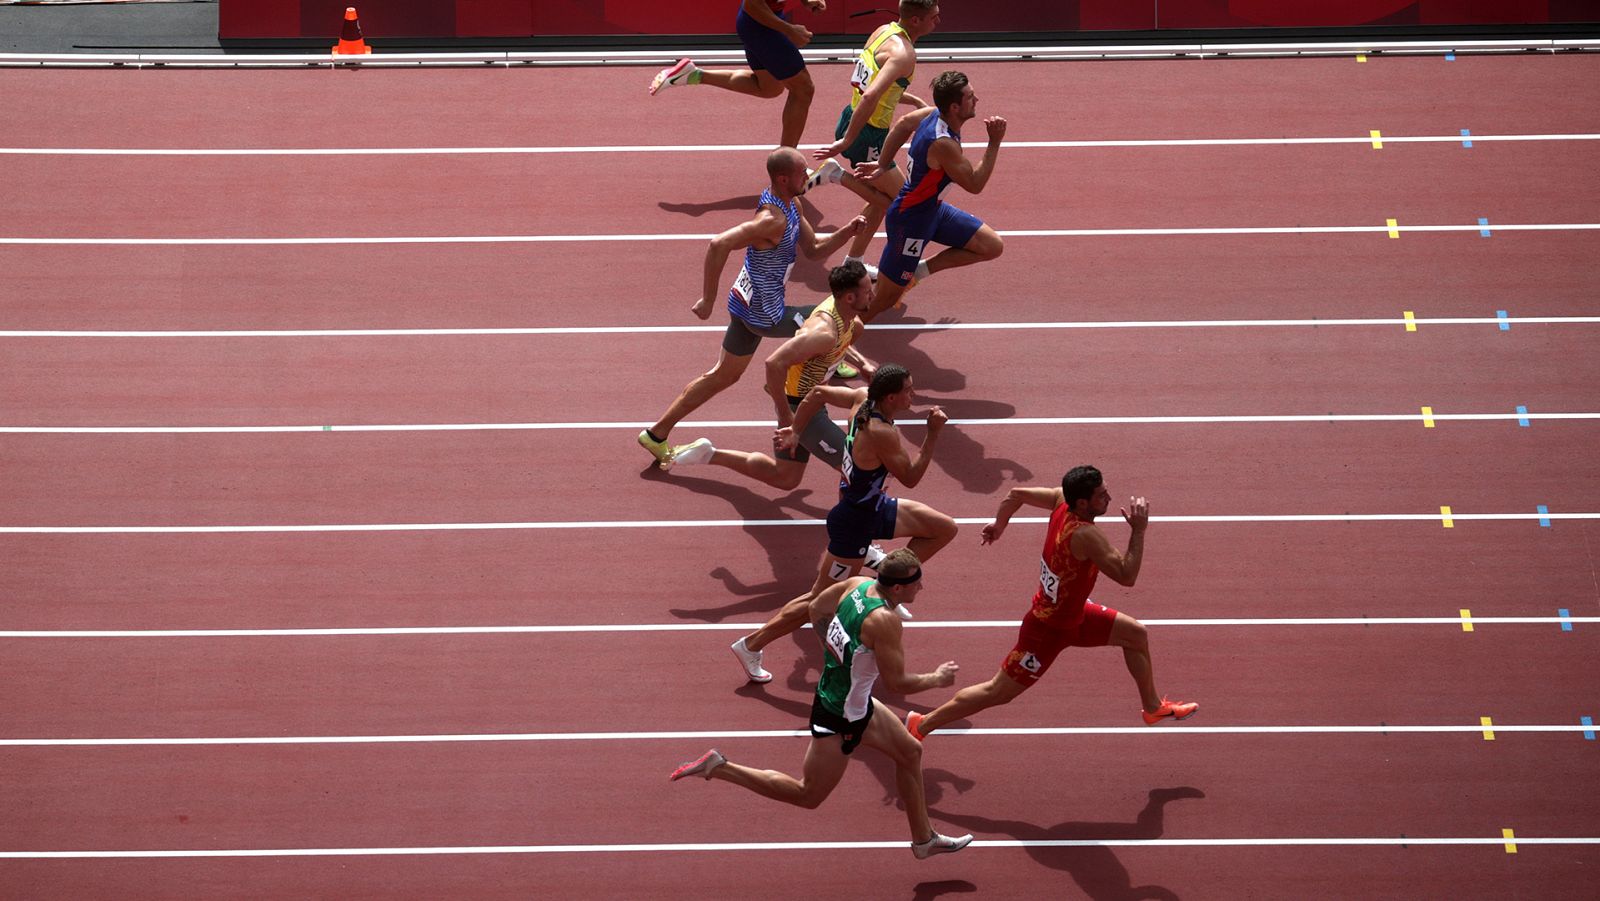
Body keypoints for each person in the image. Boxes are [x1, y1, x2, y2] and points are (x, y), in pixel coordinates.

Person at [670, 549, 973, 859]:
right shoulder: (884, 621)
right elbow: (897, 684)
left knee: (910, 751)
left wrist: (833, 655)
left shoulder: (857, 585)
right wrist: (936, 679)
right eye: (916, 584)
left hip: (852, 701)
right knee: (808, 794)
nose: (920, 588)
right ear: (898, 588)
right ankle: (720, 768)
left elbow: (816, 607)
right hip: (840, 714)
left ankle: (923, 839)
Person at [905, 466, 1198, 741]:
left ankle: (1151, 707)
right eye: (1101, 495)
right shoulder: (1086, 534)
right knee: (998, 691)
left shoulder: (1061, 499)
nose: (1109, 497)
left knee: (1136, 635)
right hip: (1046, 630)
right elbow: (1127, 576)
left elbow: (1015, 495)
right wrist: (1138, 530)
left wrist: (999, 524)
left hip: (1075, 615)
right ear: (1082, 503)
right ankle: (922, 725)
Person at [728, 364, 957, 683]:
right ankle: (751, 645)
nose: (913, 394)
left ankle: (885, 582)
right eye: (908, 390)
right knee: (818, 600)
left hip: (872, 505)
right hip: (854, 522)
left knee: (943, 528)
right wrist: (932, 433)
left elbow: (818, 392)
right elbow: (911, 477)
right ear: (891, 397)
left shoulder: (862, 398)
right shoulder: (881, 433)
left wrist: (795, 430)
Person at [639, 147, 866, 467]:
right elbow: (719, 244)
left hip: (745, 307)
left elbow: (814, 250)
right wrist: (707, 299)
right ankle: (804, 372)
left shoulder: (792, 203)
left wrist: (848, 231)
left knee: (722, 375)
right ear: (783, 178)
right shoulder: (770, 220)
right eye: (803, 173)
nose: (809, 177)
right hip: (765, 315)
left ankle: (657, 434)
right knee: (835, 319)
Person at [664, 260, 873, 487]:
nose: (872, 294)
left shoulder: (847, 317)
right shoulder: (823, 332)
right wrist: (786, 416)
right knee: (857, 467)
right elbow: (774, 363)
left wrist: (862, 363)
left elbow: (839, 343)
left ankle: (708, 453)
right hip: (801, 409)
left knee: (785, 477)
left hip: (811, 398)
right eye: (868, 291)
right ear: (850, 298)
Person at [854, 70, 1006, 321]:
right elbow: (975, 184)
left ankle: (917, 273)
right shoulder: (944, 143)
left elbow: (903, 124)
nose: (976, 99)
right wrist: (994, 143)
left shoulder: (933, 114)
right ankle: (835, 341)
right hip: (910, 221)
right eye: (970, 96)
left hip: (933, 210)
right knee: (882, 300)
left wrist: (883, 164)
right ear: (955, 107)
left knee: (991, 246)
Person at [805, 0, 941, 272]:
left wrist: (913, 100)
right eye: (934, 17)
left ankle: (853, 262)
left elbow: (874, 87)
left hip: (851, 116)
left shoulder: (883, 31)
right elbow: (871, 95)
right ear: (915, 20)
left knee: (879, 201)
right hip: (868, 134)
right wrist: (846, 142)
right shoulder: (904, 54)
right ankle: (836, 174)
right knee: (902, 202)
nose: (938, 21)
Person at [648, 0, 826, 149]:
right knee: (803, 89)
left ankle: (694, 75)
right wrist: (789, 30)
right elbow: (751, 4)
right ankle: (786, 165)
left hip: (761, 22)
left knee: (768, 88)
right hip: (761, 25)